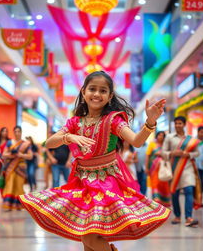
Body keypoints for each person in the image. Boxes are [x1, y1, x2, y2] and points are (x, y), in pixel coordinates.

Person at [19, 71, 170, 251]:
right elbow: (50, 143)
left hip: (106, 182)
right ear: (83, 92)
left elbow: (137, 141)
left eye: (103, 91)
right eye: (92, 89)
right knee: (87, 239)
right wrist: (69, 137)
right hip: (81, 181)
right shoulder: (75, 122)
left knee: (89, 237)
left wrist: (150, 122)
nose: (97, 94)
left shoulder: (113, 120)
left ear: (110, 96)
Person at [162, 116, 201, 227]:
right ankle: (177, 216)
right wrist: (172, 153)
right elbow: (163, 152)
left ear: (184, 124)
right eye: (176, 123)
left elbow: (197, 153)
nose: (177, 125)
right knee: (175, 193)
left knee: (189, 190)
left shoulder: (190, 139)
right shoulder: (169, 137)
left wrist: (188, 154)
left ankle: (188, 217)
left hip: (187, 168)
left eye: (180, 123)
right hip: (174, 169)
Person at [2, 126, 33, 210]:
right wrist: (12, 155)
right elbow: (4, 154)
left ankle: (19, 205)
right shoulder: (9, 142)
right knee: (10, 184)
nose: (17, 133)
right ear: (13, 132)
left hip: (21, 167)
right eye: (15, 131)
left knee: (19, 186)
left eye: (19, 131)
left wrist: (21, 155)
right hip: (10, 167)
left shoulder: (25, 143)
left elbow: (30, 156)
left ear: (21, 132)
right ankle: (8, 205)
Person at [145, 131, 171, 207]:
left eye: (163, 135)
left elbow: (169, 155)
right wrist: (146, 167)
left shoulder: (166, 146)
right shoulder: (152, 144)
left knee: (163, 184)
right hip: (153, 169)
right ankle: (156, 201)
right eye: (159, 135)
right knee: (155, 184)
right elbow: (147, 156)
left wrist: (162, 154)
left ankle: (164, 202)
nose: (161, 137)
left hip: (163, 169)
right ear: (157, 136)